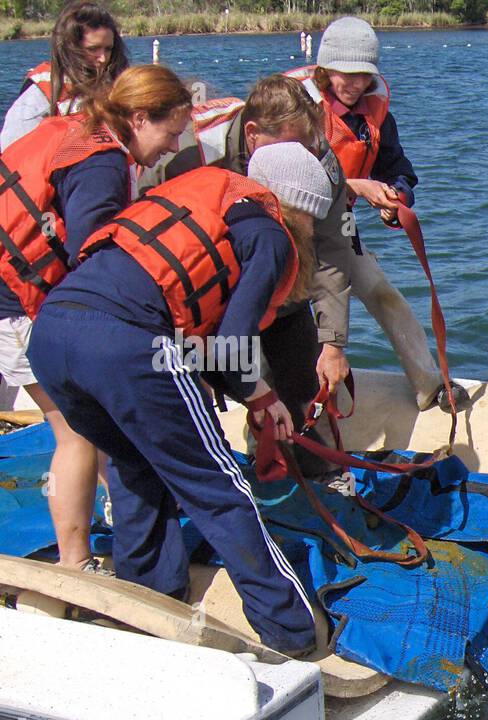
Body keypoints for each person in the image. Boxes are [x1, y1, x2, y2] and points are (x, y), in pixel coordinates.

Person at [26, 143, 331, 655]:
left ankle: (148, 609)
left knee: (133, 465)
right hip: (126, 346)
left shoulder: (201, 198)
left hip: (52, 336)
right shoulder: (272, 236)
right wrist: (262, 399)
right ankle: (295, 634)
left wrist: (253, 394)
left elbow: (198, 331)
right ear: (299, 210)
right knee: (217, 486)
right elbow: (234, 341)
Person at [0, 64, 192, 570]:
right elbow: (95, 258)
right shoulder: (101, 165)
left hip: (9, 289)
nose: (173, 148)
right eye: (171, 133)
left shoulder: (78, 129)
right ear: (140, 117)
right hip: (13, 304)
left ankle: (109, 511)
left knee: (88, 420)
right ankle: (74, 562)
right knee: (75, 432)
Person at [153, 74, 355, 490]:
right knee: (197, 379)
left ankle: (309, 467)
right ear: (251, 134)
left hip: (281, 277)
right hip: (200, 286)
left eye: (306, 147)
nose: (300, 157)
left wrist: (333, 342)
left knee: (299, 372)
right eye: (286, 147)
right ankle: (209, 473)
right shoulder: (187, 153)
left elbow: (332, 250)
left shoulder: (318, 163)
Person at [286, 16, 442, 410]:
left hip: (339, 228)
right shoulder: (296, 110)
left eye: (364, 74)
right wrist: (357, 187)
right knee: (293, 321)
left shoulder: (376, 116)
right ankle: (291, 403)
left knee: (384, 295)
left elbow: (401, 171)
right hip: (289, 230)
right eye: (346, 73)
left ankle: (430, 388)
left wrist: (395, 198)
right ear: (325, 68)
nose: (355, 83)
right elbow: (285, 176)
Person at [1, 1, 129, 151]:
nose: (102, 58)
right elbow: (11, 156)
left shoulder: (116, 85)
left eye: (108, 49)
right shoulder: (40, 96)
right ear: (70, 47)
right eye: (93, 49)